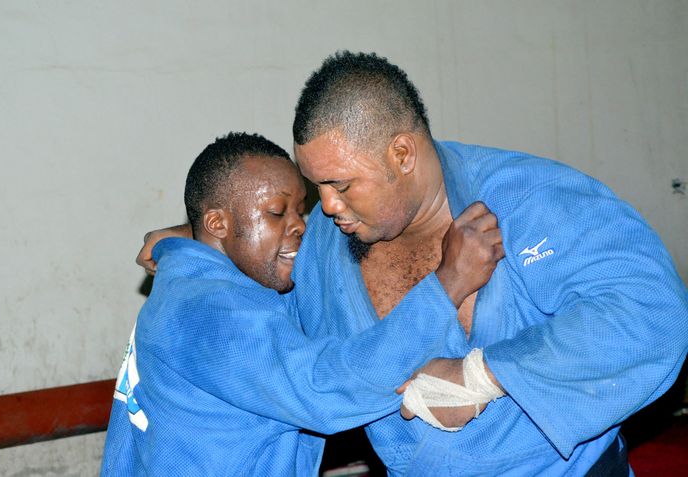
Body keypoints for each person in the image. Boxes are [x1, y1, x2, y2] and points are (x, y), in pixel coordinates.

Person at [138, 52, 688, 476]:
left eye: (340, 184)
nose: (325, 206)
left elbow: (650, 315)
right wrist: (193, 238)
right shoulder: (327, 245)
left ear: (402, 154)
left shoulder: (526, 199)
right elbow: (292, 349)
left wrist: (484, 375)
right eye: (315, 188)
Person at [104, 132, 503, 476]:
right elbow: (326, 388)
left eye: (300, 210)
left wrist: (184, 236)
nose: (300, 226)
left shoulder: (193, 287)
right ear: (217, 224)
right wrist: (447, 284)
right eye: (277, 212)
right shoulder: (213, 315)